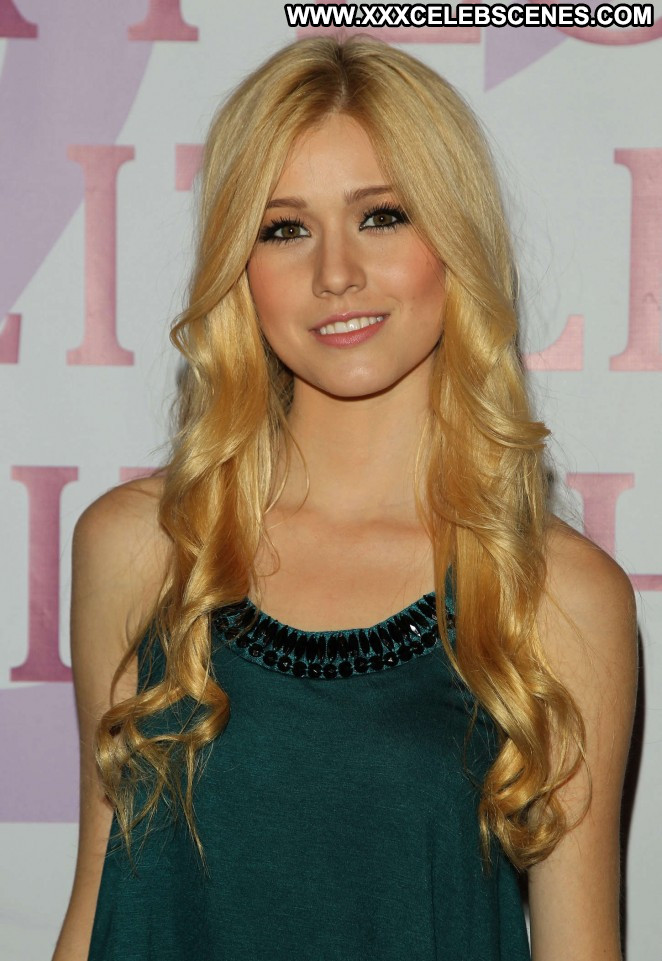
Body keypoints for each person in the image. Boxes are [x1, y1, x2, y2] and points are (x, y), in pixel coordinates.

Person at [52, 35, 638, 961]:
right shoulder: (140, 548)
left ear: (455, 240)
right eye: (284, 229)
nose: (335, 273)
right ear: (238, 267)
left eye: (382, 216)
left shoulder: (556, 595)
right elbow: (102, 898)